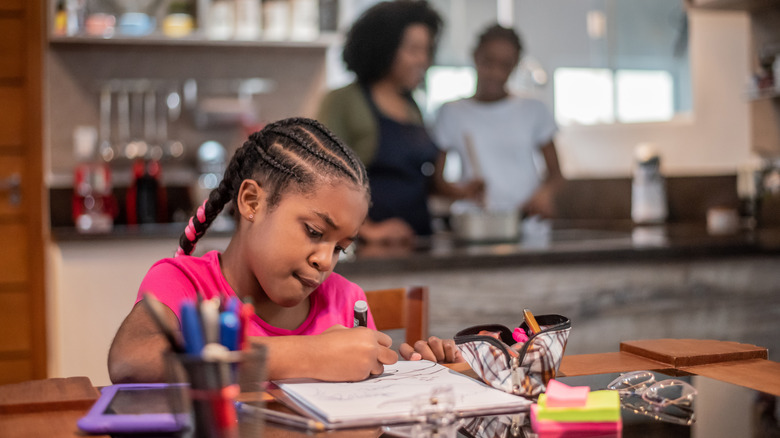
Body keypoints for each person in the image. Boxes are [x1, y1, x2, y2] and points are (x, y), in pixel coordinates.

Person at [108, 118, 402, 384]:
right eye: (313, 232)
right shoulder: (183, 283)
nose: (325, 261)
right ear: (251, 202)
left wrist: (425, 366)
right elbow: (130, 360)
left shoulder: (347, 301)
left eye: (340, 248)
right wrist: (310, 354)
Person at [318, 0, 483, 244]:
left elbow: (415, 179)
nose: (423, 61)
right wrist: (369, 230)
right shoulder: (344, 100)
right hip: (369, 248)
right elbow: (323, 182)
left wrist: (460, 192)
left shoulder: (412, 105)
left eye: (427, 51)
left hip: (417, 241)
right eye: (413, 50)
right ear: (384, 48)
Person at [433, 24, 564, 218]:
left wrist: (543, 196)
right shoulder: (451, 113)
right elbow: (436, 181)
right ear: (475, 56)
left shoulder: (534, 110)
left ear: (515, 65)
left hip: (527, 221)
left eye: (505, 65)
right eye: (488, 62)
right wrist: (463, 191)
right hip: (476, 221)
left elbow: (556, 175)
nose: (495, 72)